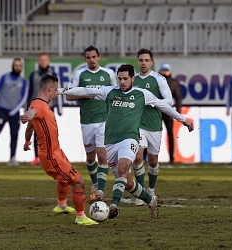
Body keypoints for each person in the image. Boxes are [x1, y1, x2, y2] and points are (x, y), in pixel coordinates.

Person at [62, 64, 194, 220]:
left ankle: (114, 206)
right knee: (128, 183)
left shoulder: (142, 94)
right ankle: (150, 200)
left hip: (130, 138)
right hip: (111, 142)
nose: (122, 82)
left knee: (123, 168)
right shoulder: (110, 91)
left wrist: (183, 120)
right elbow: (85, 91)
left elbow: (164, 106)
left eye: (125, 79)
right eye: (119, 79)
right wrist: (59, 92)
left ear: (133, 78)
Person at [20, 74, 98, 226]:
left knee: (64, 179)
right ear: (49, 89)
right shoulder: (39, 106)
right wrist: (27, 116)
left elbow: (30, 126)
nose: (56, 94)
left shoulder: (36, 103)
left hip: (55, 152)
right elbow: (32, 114)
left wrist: (27, 140)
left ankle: (61, 205)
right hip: (51, 156)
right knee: (79, 183)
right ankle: (81, 217)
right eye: (55, 91)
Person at [66, 45, 116, 203]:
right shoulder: (80, 74)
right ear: (85, 59)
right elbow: (68, 96)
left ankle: (100, 191)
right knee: (90, 157)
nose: (92, 60)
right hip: (87, 121)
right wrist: (83, 93)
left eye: (94, 57)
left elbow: (115, 94)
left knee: (103, 156)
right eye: (88, 58)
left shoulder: (108, 74)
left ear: (99, 58)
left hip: (104, 120)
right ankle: (95, 183)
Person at [131, 49, 174, 206]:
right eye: (141, 60)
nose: (143, 63)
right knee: (138, 157)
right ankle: (141, 192)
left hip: (155, 125)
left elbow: (170, 100)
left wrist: (154, 101)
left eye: (146, 60)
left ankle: (151, 189)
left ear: (151, 62)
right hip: (138, 125)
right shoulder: (133, 79)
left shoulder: (159, 79)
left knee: (153, 161)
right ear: (138, 61)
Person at [0, 58, 29, 166]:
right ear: (12, 66)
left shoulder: (23, 82)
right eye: (16, 65)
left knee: (14, 135)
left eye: (19, 66)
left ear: (21, 67)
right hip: (2, 110)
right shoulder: (4, 77)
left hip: (14, 113)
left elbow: (24, 98)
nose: (17, 68)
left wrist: (15, 110)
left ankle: (12, 158)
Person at [27, 52, 58, 166]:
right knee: (37, 133)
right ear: (38, 61)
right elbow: (29, 92)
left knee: (50, 132)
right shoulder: (33, 75)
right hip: (36, 108)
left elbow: (56, 92)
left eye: (45, 60)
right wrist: (27, 107)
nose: (43, 62)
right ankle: (37, 157)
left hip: (49, 108)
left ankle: (51, 155)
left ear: (48, 61)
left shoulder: (53, 74)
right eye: (41, 60)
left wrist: (58, 108)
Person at [159, 62, 183, 164]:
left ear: (170, 71)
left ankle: (172, 158)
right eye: (163, 70)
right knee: (151, 134)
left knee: (170, 134)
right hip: (157, 110)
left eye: (166, 70)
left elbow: (178, 97)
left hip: (168, 111)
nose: (165, 72)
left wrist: (178, 111)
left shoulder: (173, 83)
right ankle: (145, 157)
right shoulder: (157, 81)